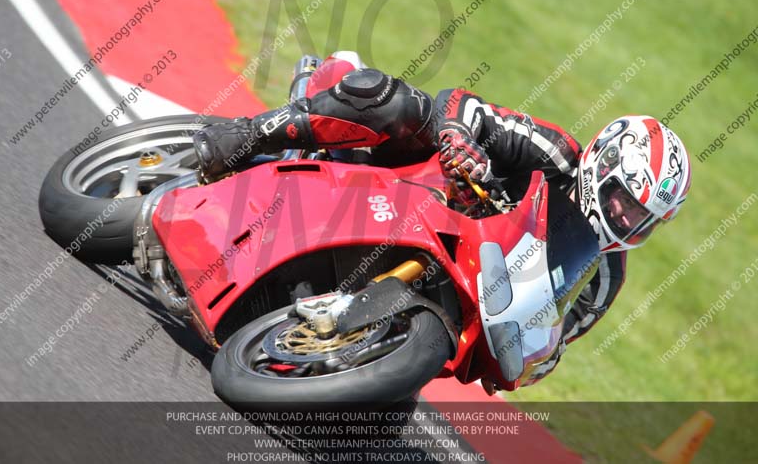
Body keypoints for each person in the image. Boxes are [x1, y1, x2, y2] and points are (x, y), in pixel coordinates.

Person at [192, 51, 692, 383]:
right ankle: (244, 138)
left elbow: (554, 342)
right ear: (603, 165)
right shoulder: (555, 152)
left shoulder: (606, 274)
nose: (627, 220)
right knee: (395, 103)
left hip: (458, 291)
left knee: (378, 424)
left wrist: (542, 354)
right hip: (417, 184)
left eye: (643, 219)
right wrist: (460, 141)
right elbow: (463, 104)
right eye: (626, 201)